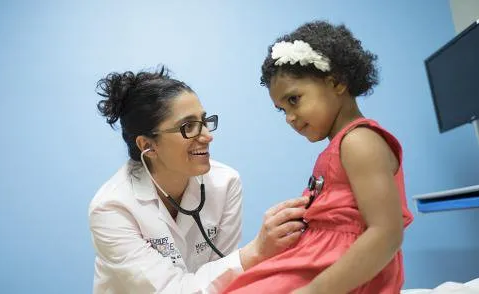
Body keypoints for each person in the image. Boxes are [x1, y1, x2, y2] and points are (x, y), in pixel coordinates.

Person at [222, 20, 414, 294]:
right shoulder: (340, 145)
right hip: (318, 260)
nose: (289, 118)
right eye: (281, 110)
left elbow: (386, 233)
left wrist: (315, 291)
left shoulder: (359, 141)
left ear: (336, 82)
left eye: (294, 100)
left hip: (342, 274)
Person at [88, 67, 308, 293]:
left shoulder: (225, 184)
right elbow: (171, 290)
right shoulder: (112, 208)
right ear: (147, 146)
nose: (207, 136)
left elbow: (226, 280)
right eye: (188, 127)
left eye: (204, 122)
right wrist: (256, 251)